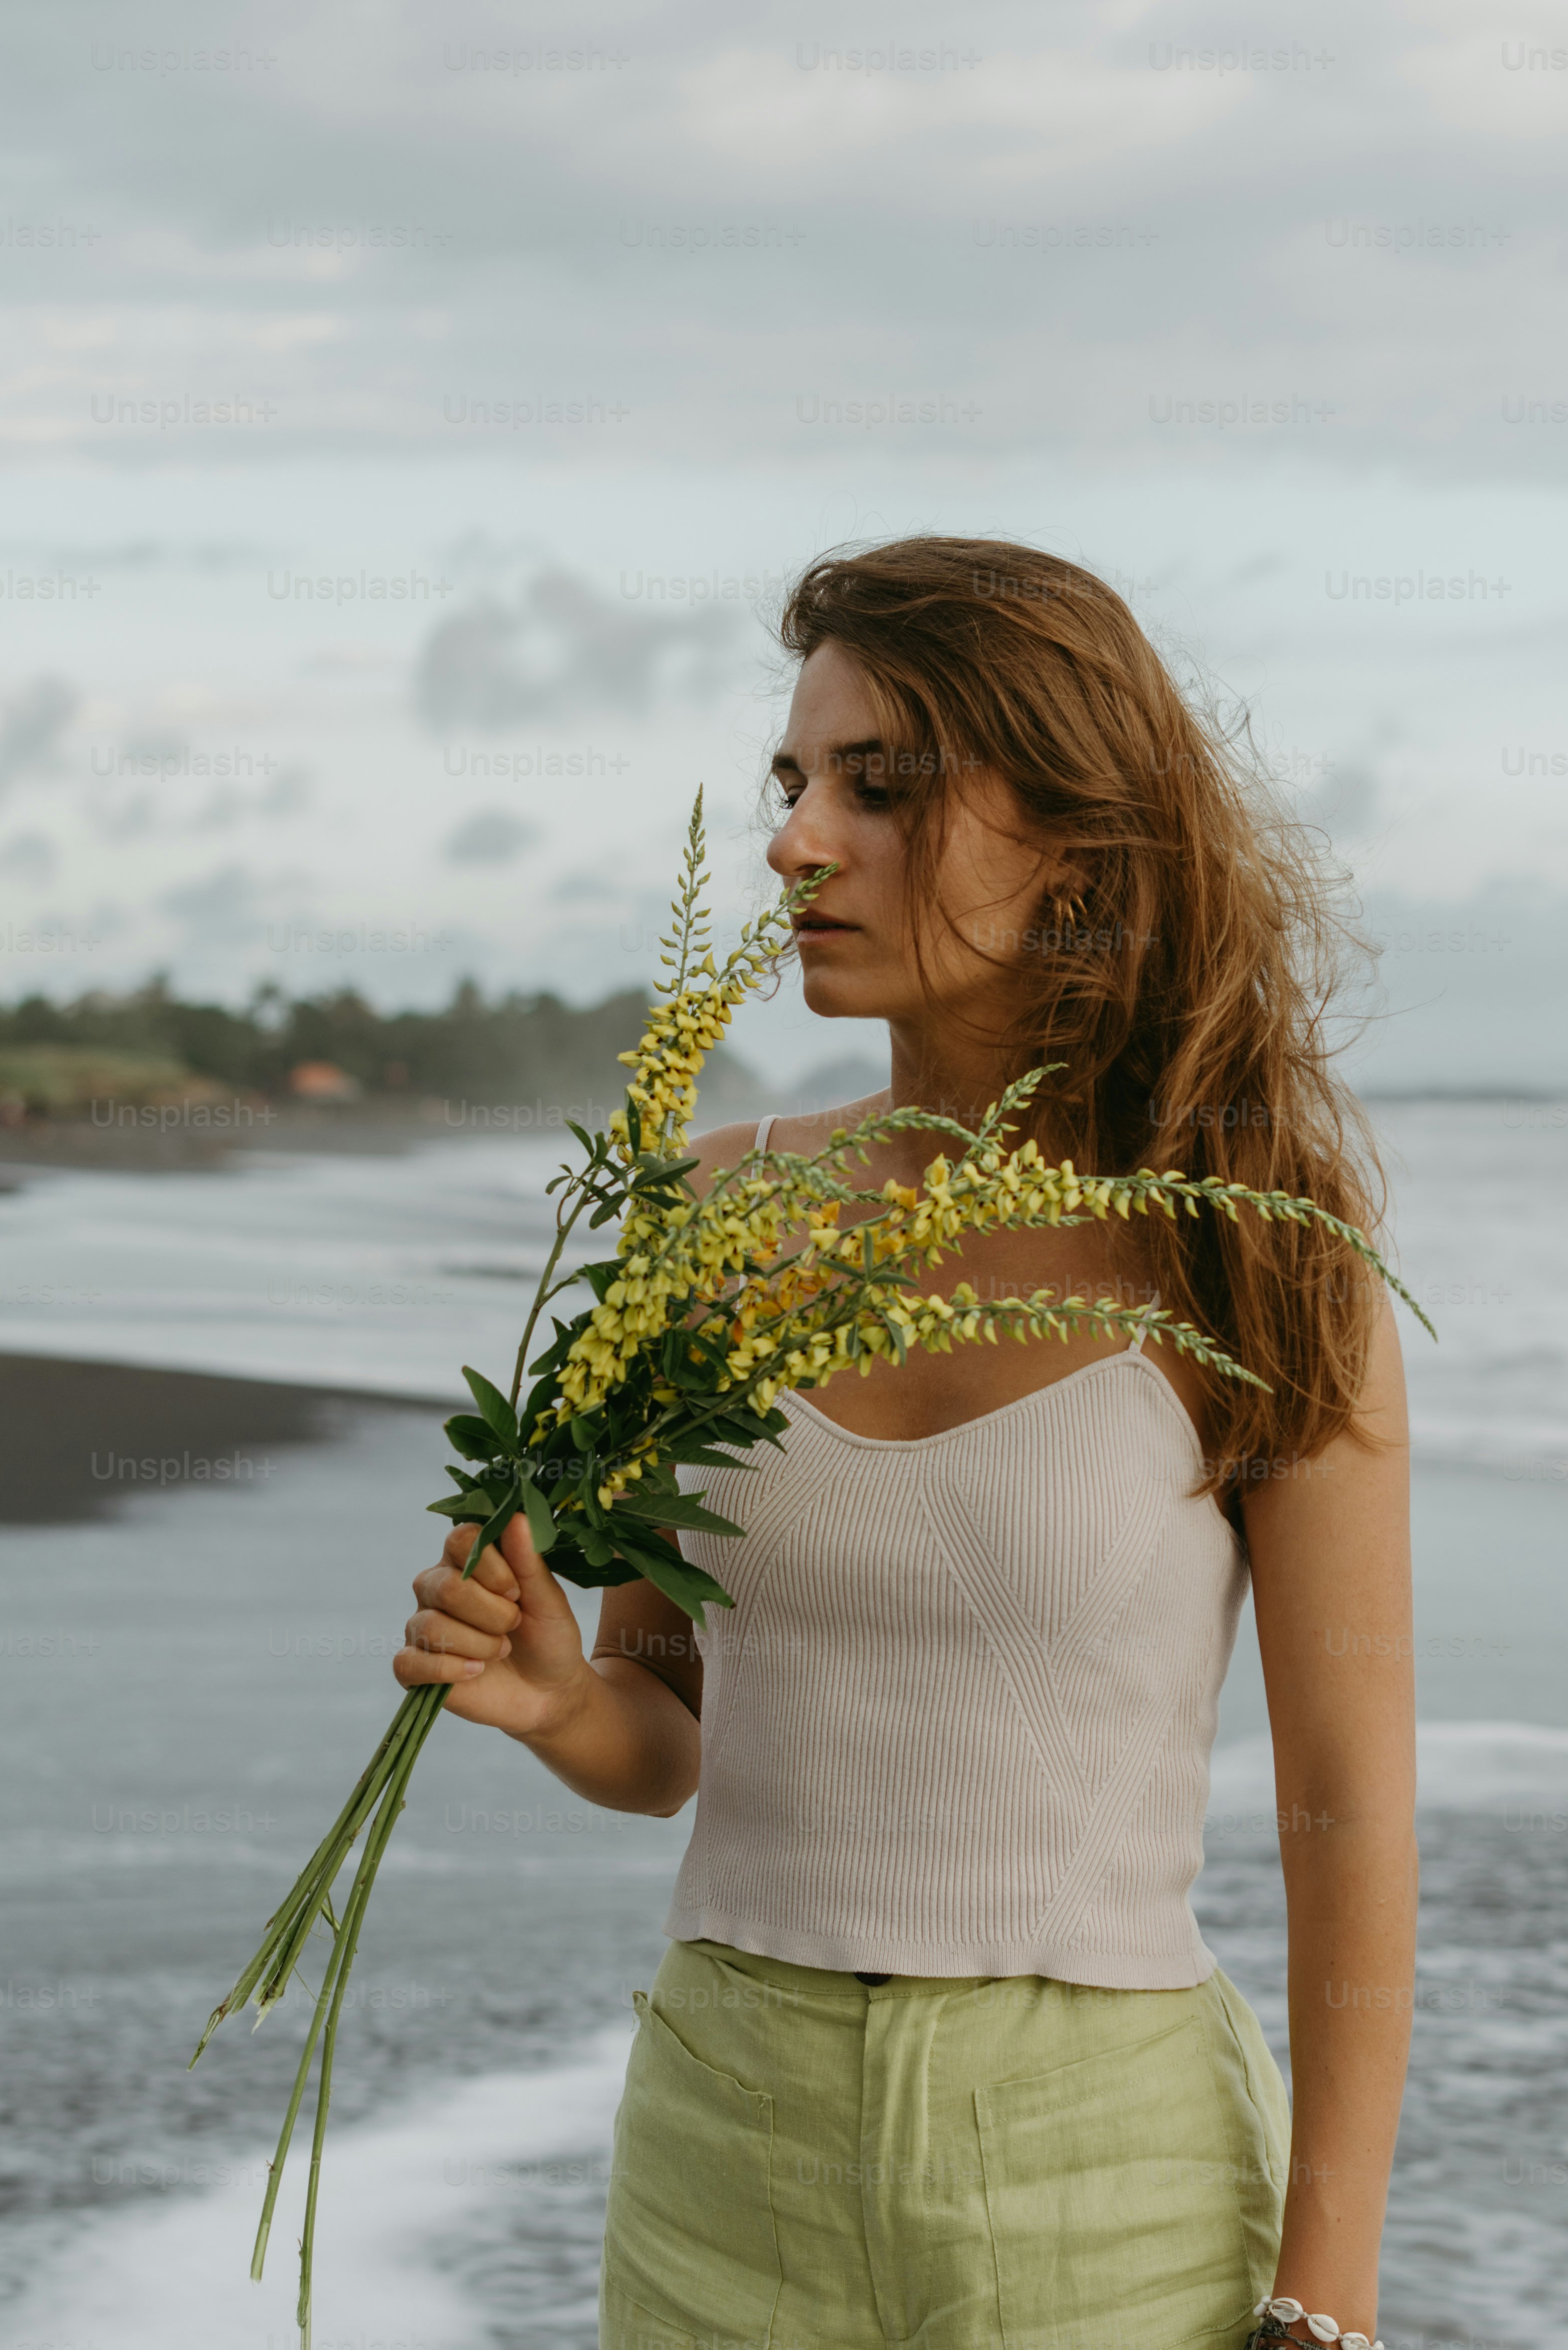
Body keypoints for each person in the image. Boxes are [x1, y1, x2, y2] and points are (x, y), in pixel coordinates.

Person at [396, 539, 1416, 2350]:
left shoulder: (1258, 1242)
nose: (799, 838)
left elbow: (1347, 1805)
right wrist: (558, 1698)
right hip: (727, 2143)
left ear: (1079, 831)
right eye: (793, 781)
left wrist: (1325, 2298)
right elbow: (665, 1726)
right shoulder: (706, 1211)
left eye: (883, 784)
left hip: (1108, 2173)